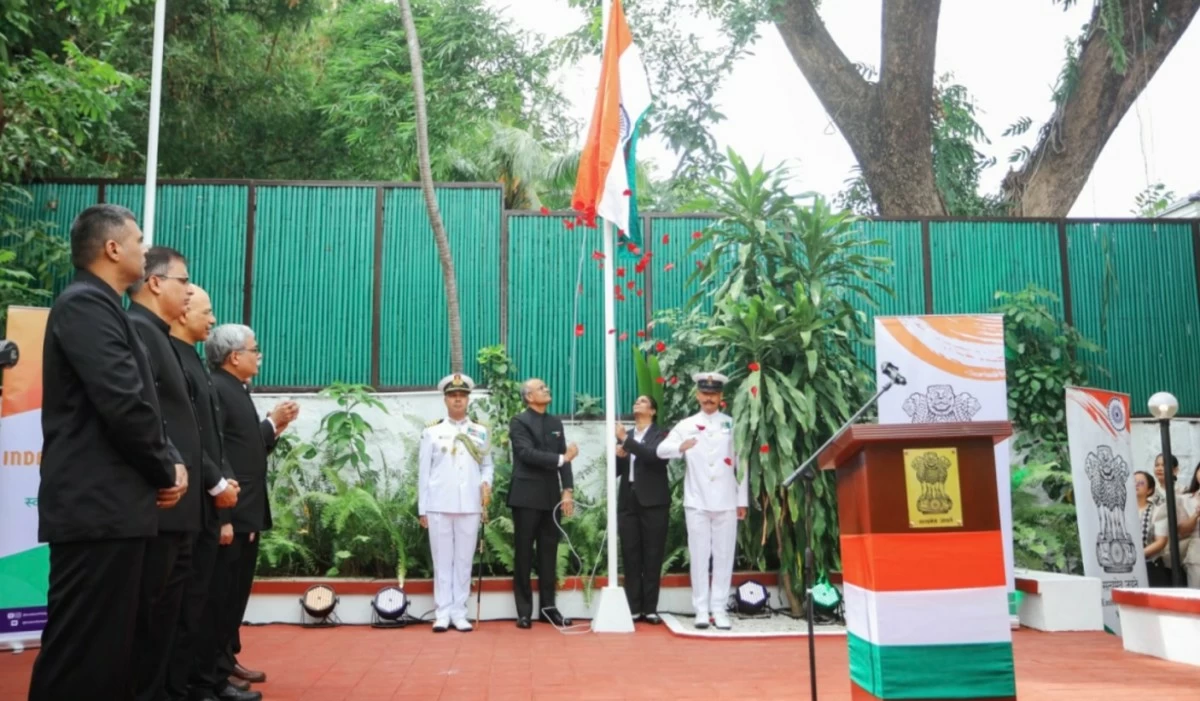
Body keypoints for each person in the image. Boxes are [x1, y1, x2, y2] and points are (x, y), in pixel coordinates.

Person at [29, 204, 188, 701]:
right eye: (139, 241)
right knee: (80, 654)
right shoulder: (84, 306)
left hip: (115, 511)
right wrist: (165, 468)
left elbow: (138, 402)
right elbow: (123, 402)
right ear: (113, 248)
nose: (145, 249)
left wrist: (166, 460)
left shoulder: (106, 308)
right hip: (96, 511)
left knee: (108, 657)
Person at [129, 247, 235, 701]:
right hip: (166, 501)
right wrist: (195, 475)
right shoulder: (141, 334)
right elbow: (150, 419)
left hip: (188, 503)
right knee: (155, 616)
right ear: (157, 284)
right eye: (185, 285)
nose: (189, 295)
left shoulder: (176, 351)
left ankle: (178, 686)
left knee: (178, 611)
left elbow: (205, 433)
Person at [194, 324, 297, 701]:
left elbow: (246, 446)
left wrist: (273, 426)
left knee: (231, 598)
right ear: (235, 356)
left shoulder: (235, 388)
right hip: (231, 512)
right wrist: (223, 519)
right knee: (220, 598)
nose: (259, 357)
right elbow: (218, 454)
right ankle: (210, 676)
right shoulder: (219, 389)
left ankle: (223, 664)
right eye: (255, 350)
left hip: (245, 509)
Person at [167, 285, 248, 699]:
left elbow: (214, 442)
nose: (212, 319)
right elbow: (188, 437)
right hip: (190, 504)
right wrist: (219, 489)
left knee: (200, 605)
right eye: (206, 311)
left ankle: (202, 681)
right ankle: (192, 684)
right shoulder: (168, 355)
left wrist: (223, 481)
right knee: (185, 608)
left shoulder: (193, 362)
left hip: (211, 501)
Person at [657, 372, 748, 630]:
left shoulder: (731, 424)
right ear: (697, 395)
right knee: (698, 555)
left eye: (714, 394)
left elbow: (742, 463)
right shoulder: (686, 425)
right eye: (705, 394)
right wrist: (680, 447)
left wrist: (742, 500)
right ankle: (700, 609)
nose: (709, 398)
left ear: (721, 397)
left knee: (723, 555)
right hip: (696, 499)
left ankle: (719, 608)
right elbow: (661, 450)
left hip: (727, 500)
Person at [418, 373, 495, 632]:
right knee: (442, 561)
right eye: (453, 396)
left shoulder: (480, 432)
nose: (458, 400)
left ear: (468, 400)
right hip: (439, 504)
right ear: (445, 400)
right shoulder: (432, 432)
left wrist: (486, 484)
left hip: (470, 505)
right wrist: (422, 509)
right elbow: (424, 473)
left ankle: (460, 613)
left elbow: (487, 466)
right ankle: (442, 613)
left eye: (462, 396)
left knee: (463, 561)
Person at [507, 378, 575, 628]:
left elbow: (565, 458)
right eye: (541, 388)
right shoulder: (519, 421)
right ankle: (524, 612)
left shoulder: (555, 422)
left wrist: (567, 490)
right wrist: (561, 458)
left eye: (546, 386)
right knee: (524, 553)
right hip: (525, 496)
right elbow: (526, 454)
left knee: (549, 554)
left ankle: (548, 609)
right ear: (528, 397)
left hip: (550, 497)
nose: (547, 389)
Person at [614, 395, 670, 624]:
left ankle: (650, 608)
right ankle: (634, 608)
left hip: (654, 501)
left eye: (644, 401)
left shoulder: (662, 434)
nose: (637, 402)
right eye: (636, 401)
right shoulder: (625, 435)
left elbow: (653, 456)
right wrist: (618, 456)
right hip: (628, 499)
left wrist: (626, 442)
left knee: (653, 554)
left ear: (653, 411)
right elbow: (616, 471)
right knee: (630, 554)